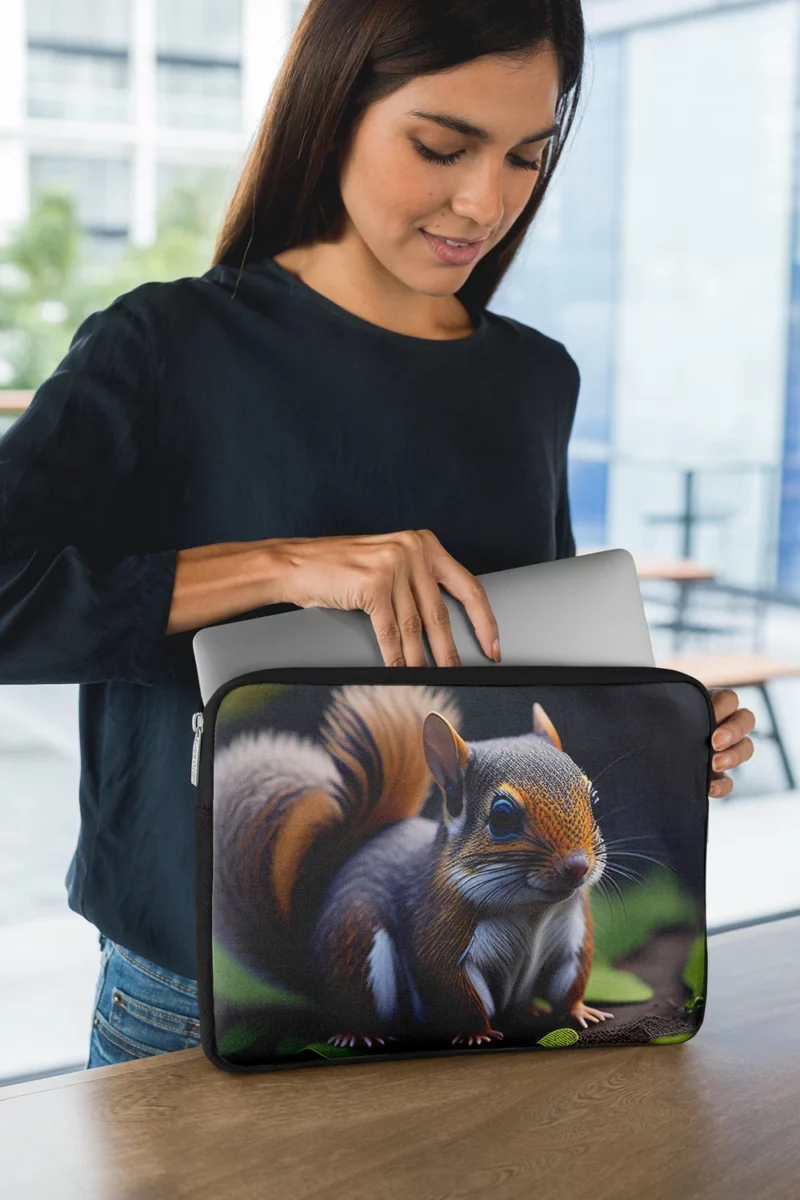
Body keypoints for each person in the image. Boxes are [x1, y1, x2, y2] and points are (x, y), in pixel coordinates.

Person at [0, 0, 754, 1070]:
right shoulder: (163, 345)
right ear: (332, 109)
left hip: (476, 987)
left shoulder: (534, 378)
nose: (482, 201)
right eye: (439, 146)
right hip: (192, 1000)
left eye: (525, 158)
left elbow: (513, 674)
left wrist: (668, 730)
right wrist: (288, 567)